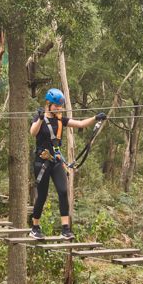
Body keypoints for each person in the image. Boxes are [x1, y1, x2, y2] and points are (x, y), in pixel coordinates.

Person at [29, 88, 107, 240]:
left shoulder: (60, 120)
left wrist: (95, 118)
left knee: (63, 191)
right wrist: (39, 118)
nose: (59, 108)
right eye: (56, 106)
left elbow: (80, 124)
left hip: (56, 161)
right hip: (41, 162)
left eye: (60, 106)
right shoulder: (39, 117)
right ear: (48, 104)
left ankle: (65, 228)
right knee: (42, 196)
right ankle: (35, 227)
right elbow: (33, 132)